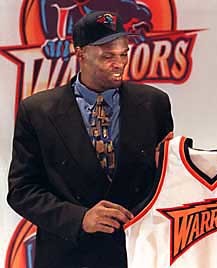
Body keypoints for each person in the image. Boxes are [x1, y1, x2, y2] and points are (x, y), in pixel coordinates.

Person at [7, 11, 173, 268]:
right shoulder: (37, 110)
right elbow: (22, 191)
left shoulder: (155, 103)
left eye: (123, 54)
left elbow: (167, 178)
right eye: (108, 56)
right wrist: (79, 218)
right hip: (67, 255)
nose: (119, 64)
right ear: (81, 54)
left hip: (137, 253)